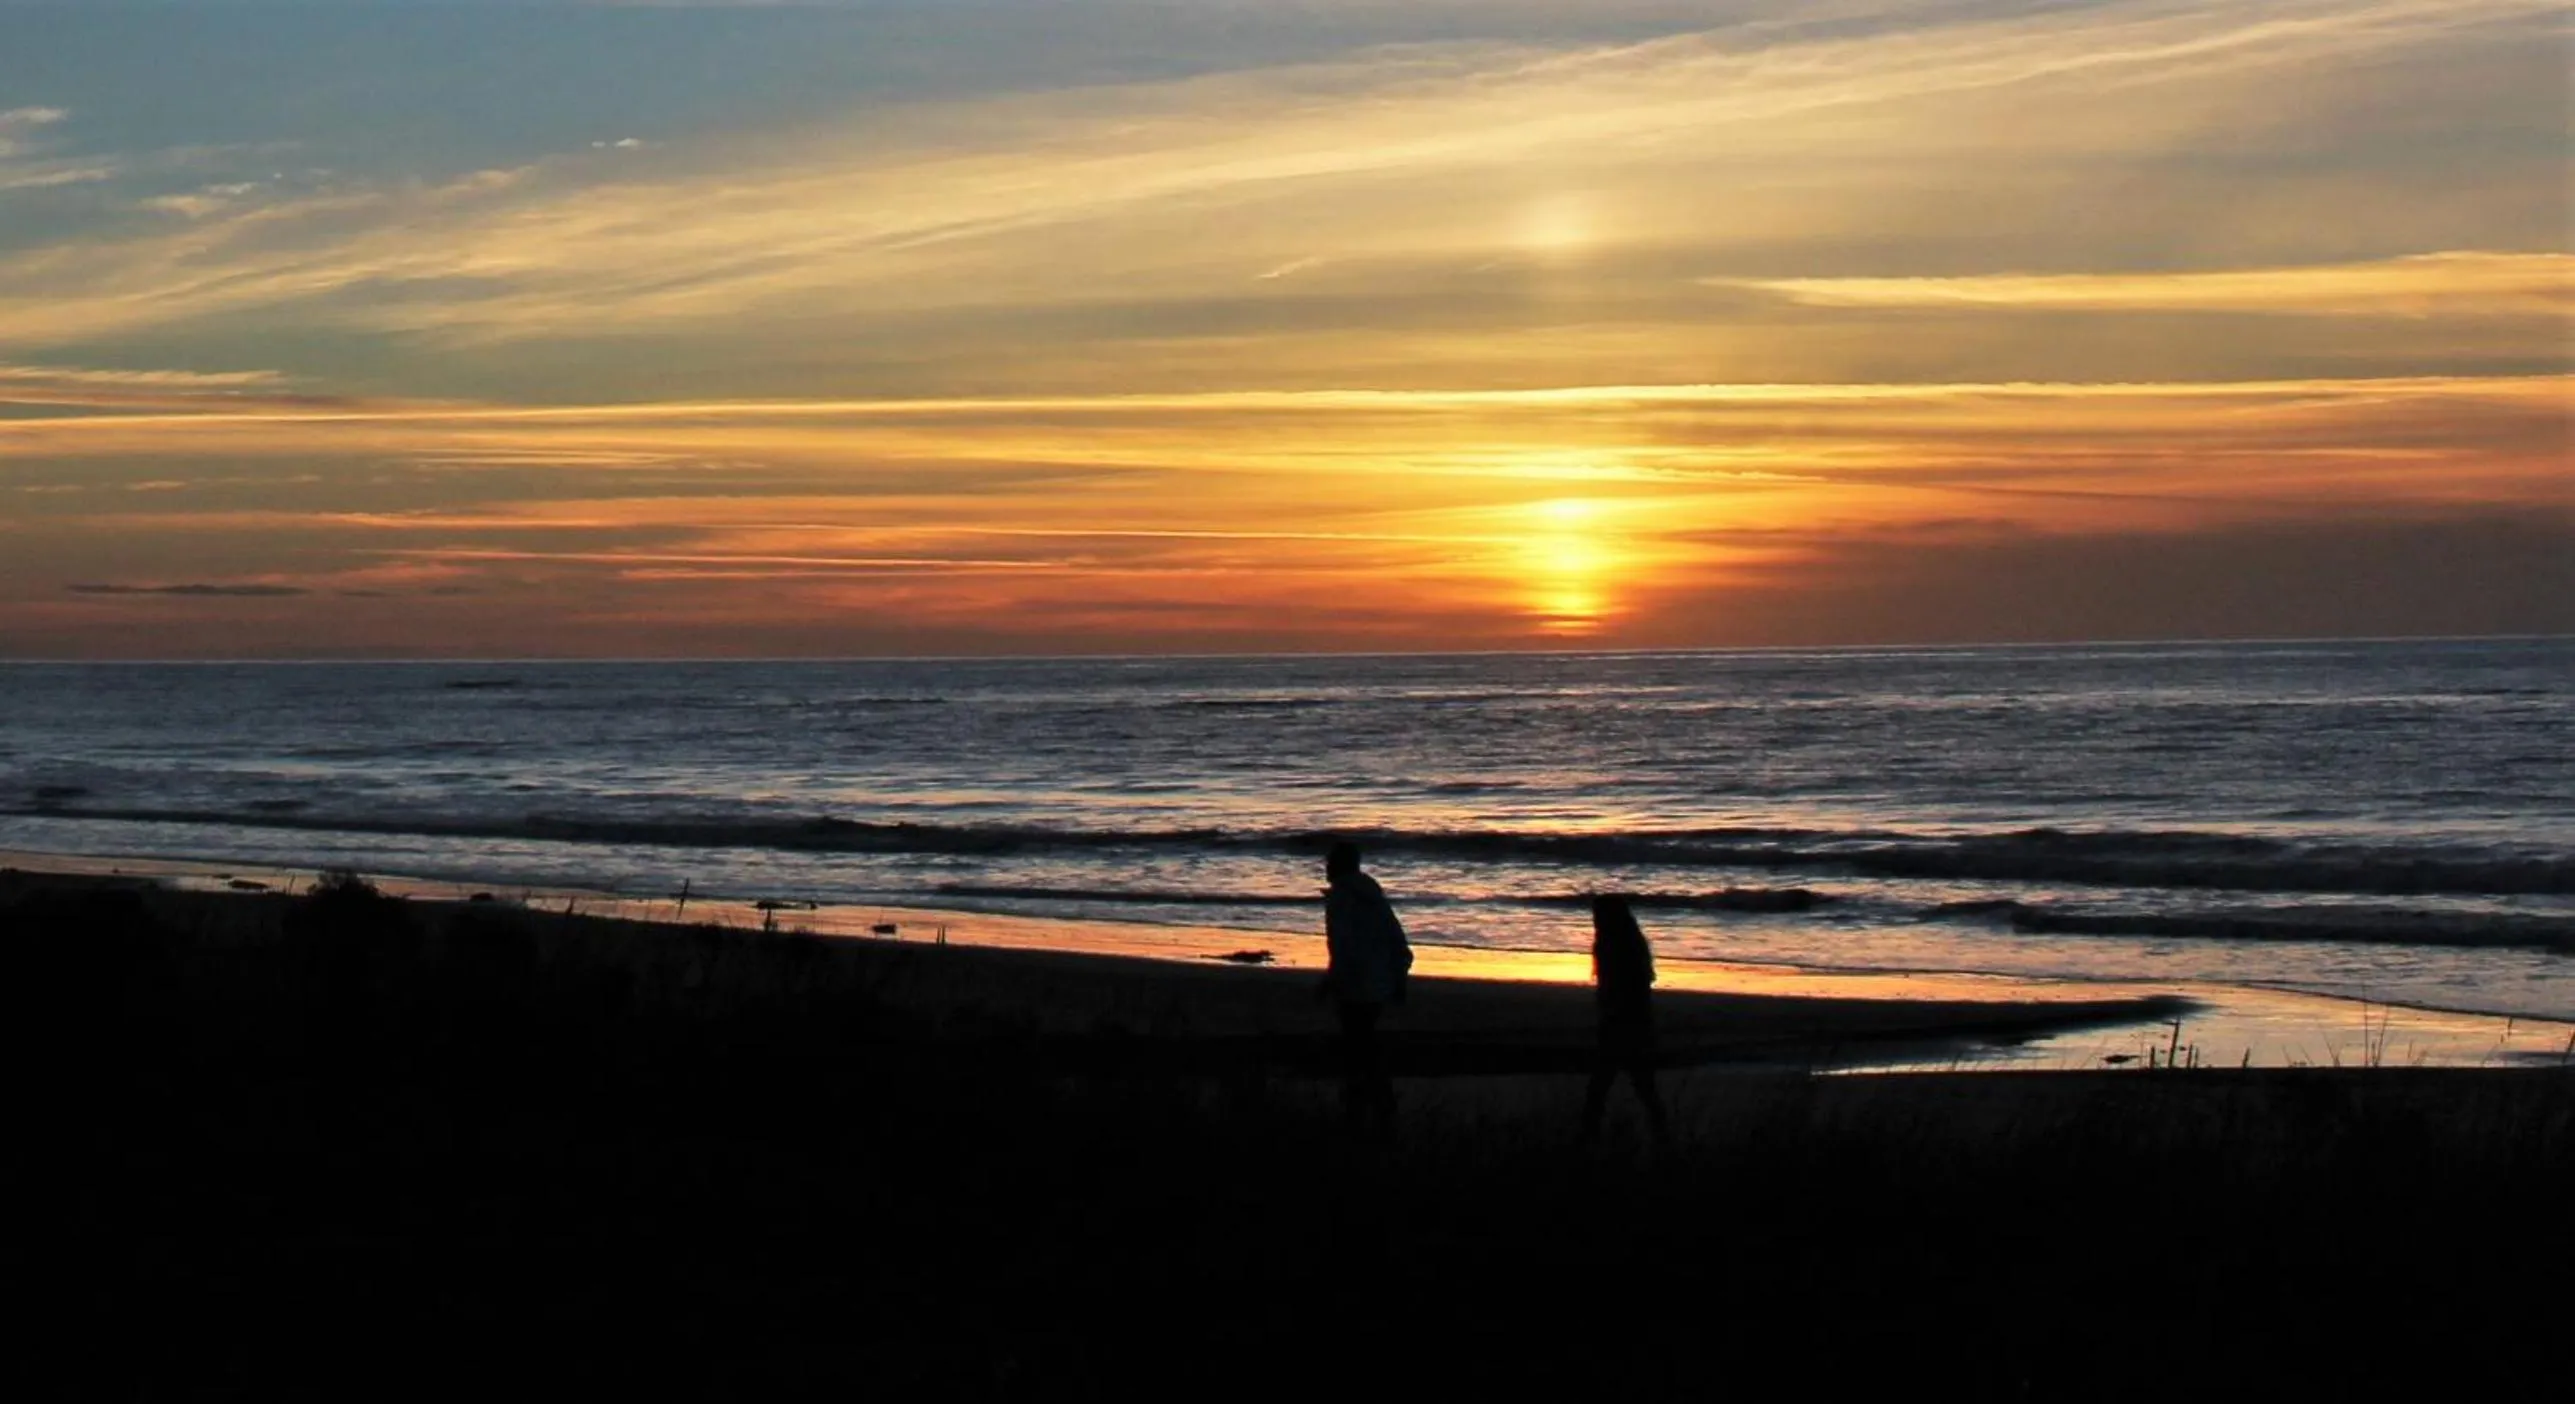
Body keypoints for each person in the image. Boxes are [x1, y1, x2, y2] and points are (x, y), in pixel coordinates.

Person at [1319, 840, 1410, 1135]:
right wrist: (1397, 980)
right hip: (1377, 982)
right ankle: (1373, 1106)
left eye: (1330, 862)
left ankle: (1367, 1109)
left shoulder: (1341, 899)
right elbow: (1399, 944)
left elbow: (1343, 949)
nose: (1326, 867)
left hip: (1356, 984)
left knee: (1359, 1048)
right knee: (1364, 1044)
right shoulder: (1373, 897)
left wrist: (1331, 980)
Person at [1582, 893, 1672, 1149]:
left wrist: (1608, 1019)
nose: (1595, 922)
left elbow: (1613, 992)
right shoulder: (1633, 945)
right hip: (1636, 1026)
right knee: (1644, 1091)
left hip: (1619, 1027)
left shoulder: (1610, 946)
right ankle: (1663, 1140)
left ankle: (1587, 1142)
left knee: (1600, 1091)